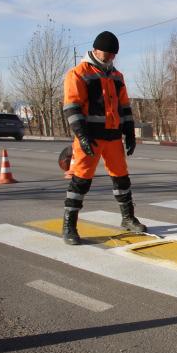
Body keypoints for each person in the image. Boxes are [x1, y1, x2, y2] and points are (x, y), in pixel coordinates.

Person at [61, 31, 147, 245]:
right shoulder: (78, 73)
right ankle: (69, 226)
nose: (110, 58)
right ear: (95, 50)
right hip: (89, 137)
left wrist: (129, 132)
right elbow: (71, 106)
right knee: (80, 181)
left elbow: (125, 106)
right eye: (107, 54)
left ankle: (127, 218)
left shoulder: (117, 76)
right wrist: (81, 135)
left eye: (113, 55)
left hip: (113, 137)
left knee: (121, 179)